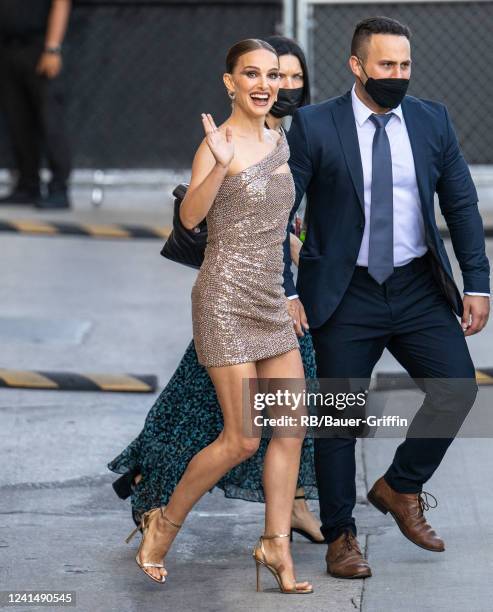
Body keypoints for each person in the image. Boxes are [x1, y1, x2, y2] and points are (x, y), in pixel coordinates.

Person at [284, 16, 490, 579]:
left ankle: (400, 486)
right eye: (385, 66)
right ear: (357, 66)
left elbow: (462, 205)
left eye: (404, 66)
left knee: (457, 389)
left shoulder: (431, 121)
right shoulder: (313, 125)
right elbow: (276, 214)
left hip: (418, 284)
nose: (397, 76)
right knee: (336, 418)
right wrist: (285, 289)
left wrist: (477, 283)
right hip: (343, 292)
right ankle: (341, 536)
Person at [108, 36, 325, 546]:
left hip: (270, 299)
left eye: (278, 76)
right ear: (230, 83)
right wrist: (222, 165)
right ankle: (164, 521)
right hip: (225, 297)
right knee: (241, 437)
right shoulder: (216, 143)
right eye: (256, 74)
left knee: (290, 427)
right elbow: (190, 217)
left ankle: (276, 546)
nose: (270, 85)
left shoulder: (281, 142)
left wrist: (295, 249)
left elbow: (275, 217)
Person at [0, 0, 71, 209]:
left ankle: (59, 188)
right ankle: (27, 185)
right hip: (7, 47)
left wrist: (52, 48)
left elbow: (61, 3)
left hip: (39, 47)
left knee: (50, 121)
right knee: (18, 120)